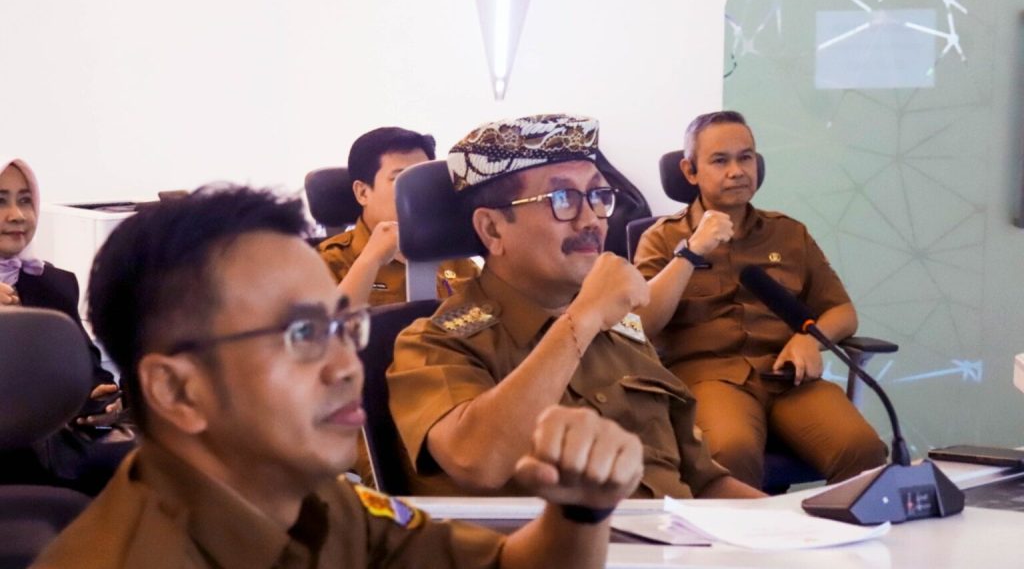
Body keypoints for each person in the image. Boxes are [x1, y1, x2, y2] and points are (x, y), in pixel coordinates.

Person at [33, 186, 645, 568]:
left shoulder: (319, 502)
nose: (347, 365)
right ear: (177, 390)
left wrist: (580, 511)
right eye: (302, 335)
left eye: (343, 327)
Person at [387, 114, 764, 499]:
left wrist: (788, 525)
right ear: (492, 229)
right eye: (562, 199)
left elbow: (704, 481)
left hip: (681, 535)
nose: (591, 221)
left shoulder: (621, 332)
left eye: (598, 196)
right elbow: (478, 460)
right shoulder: (435, 344)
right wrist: (582, 319)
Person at [632, 111, 887, 488]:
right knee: (729, 452)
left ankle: (837, 529)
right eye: (720, 160)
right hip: (709, 379)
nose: (736, 171)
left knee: (863, 450)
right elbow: (639, 324)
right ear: (690, 171)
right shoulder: (662, 238)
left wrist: (809, 339)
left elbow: (842, 311)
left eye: (746, 157)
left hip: (786, 377)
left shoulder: (789, 234)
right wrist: (691, 252)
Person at [0, 157, 130, 494]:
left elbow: (87, 370)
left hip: (50, 454)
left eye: (25, 200)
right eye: (0, 201)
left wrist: (99, 401)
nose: (17, 215)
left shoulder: (53, 283)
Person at [318, 127, 478, 307]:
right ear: (362, 193)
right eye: (401, 179)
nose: (418, 190)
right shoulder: (328, 262)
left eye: (422, 179)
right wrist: (370, 260)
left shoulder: (453, 256)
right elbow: (326, 323)